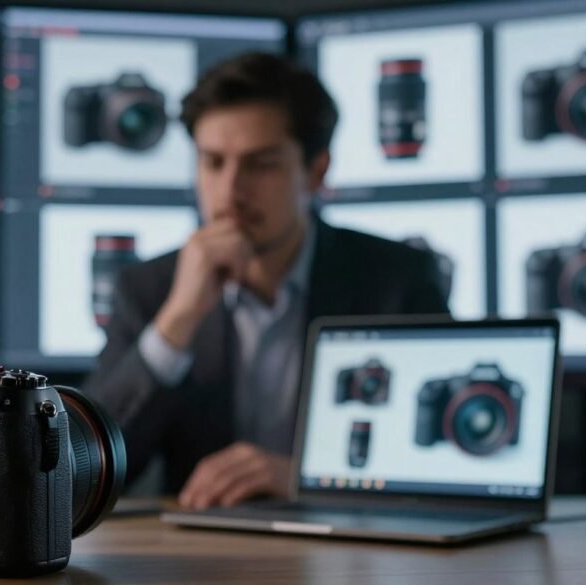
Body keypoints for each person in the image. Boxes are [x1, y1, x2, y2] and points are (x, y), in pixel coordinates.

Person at [83, 52, 449, 510]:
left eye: (260, 165)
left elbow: (439, 466)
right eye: (213, 163)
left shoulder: (397, 278)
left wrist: (310, 478)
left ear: (316, 171)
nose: (230, 191)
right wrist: (178, 320)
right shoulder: (150, 288)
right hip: (201, 559)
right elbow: (81, 472)